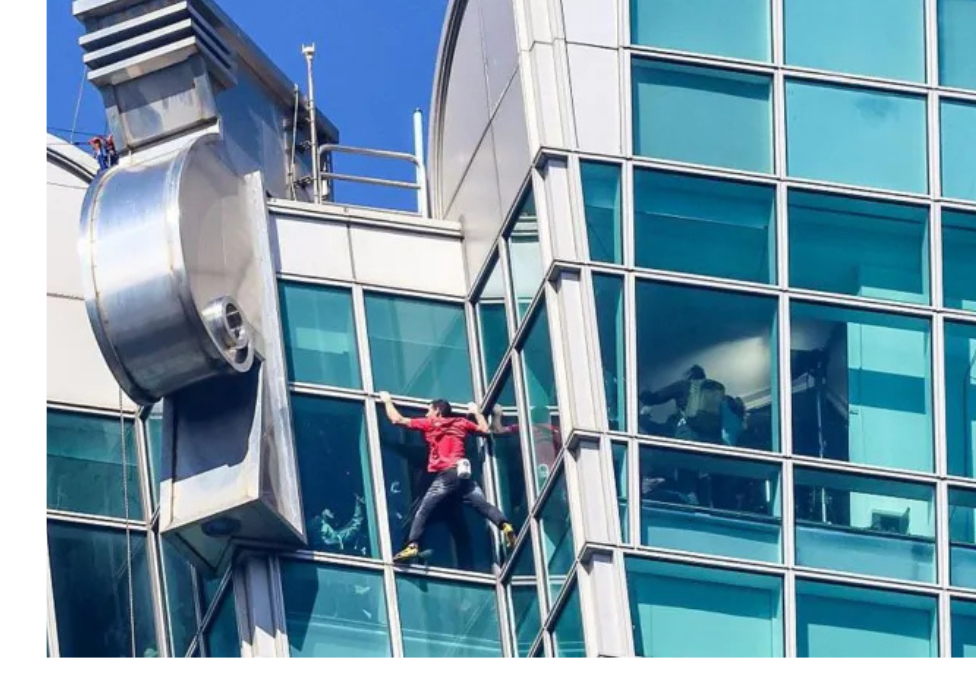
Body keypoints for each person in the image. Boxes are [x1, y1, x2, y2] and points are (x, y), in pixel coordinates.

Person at [379, 392, 516, 562]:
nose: (426, 414)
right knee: (482, 505)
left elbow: (397, 420)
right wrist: (475, 412)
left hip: (447, 474)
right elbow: (485, 430)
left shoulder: (431, 423)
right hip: (463, 474)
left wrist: (387, 401)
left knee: (423, 510)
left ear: (437, 411)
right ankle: (505, 525)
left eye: (429, 410)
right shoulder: (461, 422)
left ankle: (412, 545)